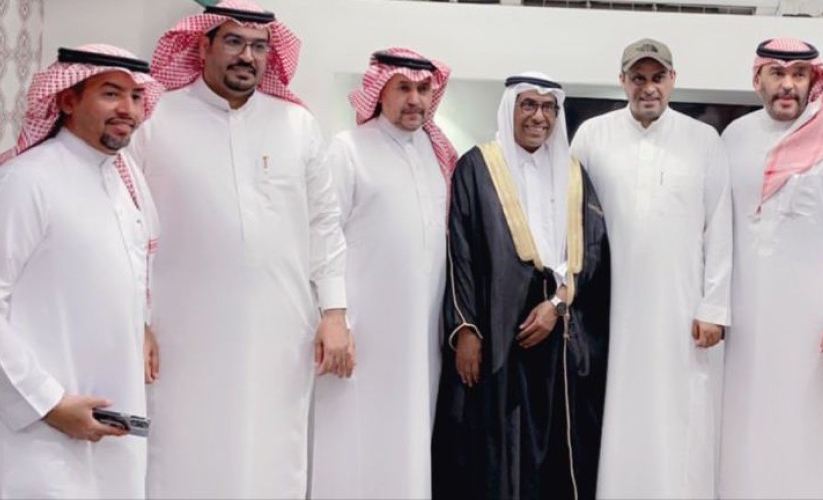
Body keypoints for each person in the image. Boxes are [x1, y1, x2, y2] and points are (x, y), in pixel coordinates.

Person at [125, 1, 350, 497]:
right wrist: (135, 320)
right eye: (233, 42)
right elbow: (127, 229)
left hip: (280, 331)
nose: (247, 56)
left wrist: (334, 313)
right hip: (182, 333)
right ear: (203, 44)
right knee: (184, 450)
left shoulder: (297, 125)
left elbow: (324, 224)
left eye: (259, 46)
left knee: (273, 456)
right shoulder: (154, 120)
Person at [0, 44, 161, 499]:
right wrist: (48, 403)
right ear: (66, 99)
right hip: (32, 430)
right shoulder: (24, 181)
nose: (128, 109)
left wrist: (140, 326)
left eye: (136, 96)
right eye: (111, 93)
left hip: (108, 421)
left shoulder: (124, 183)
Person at [431, 72, 612, 500]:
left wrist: (558, 303)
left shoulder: (573, 173)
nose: (539, 117)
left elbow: (592, 248)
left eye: (548, 107)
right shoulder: (477, 166)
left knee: (555, 446)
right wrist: (465, 330)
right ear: (509, 108)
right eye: (528, 105)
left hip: (556, 327)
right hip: (497, 327)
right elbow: (459, 251)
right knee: (499, 442)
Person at [570, 38, 732, 499]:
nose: (648, 88)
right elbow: (571, 221)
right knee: (614, 407)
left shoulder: (703, 140)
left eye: (657, 77)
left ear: (672, 80)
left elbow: (720, 225)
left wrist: (714, 307)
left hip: (680, 306)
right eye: (638, 78)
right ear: (622, 81)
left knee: (679, 409)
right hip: (607, 307)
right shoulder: (592, 136)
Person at [718, 37, 823, 499]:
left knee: (817, 430)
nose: (787, 85)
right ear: (758, 80)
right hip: (749, 322)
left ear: (814, 80)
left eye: (798, 74)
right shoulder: (734, 138)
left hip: (820, 326)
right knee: (751, 425)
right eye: (777, 73)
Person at [310, 47, 456, 499]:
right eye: (403, 87)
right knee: (353, 436)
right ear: (379, 91)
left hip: (421, 337)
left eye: (423, 89)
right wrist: (334, 317)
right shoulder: (349, 148)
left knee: (409, 436)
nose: (415, 99)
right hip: (362, 332)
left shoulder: (435, 152)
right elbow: (322, 232)